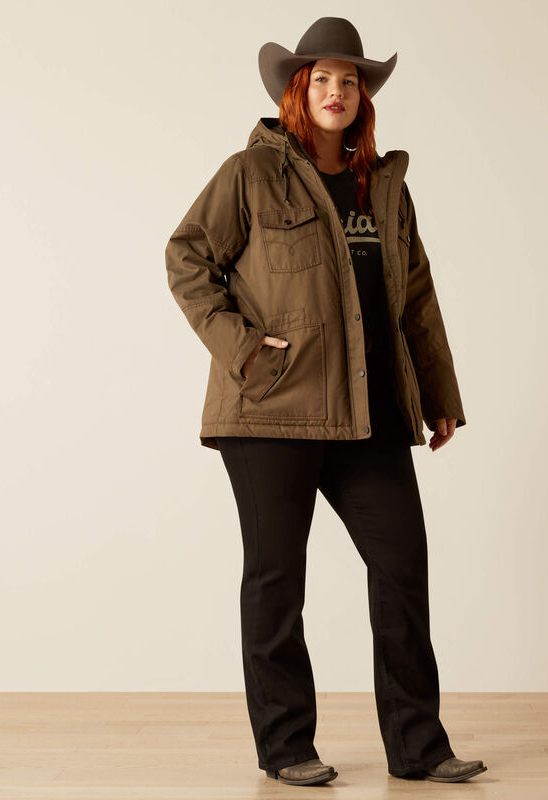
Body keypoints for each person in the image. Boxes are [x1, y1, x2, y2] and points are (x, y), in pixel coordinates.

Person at [164, 16, 487, 787]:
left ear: (363, 96)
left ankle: (419, 747)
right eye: (322, 79)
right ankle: (286, 748)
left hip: (369, 412)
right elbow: (187, 257)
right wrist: (244, 347)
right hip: (271, 411)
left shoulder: (385, 187)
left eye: (350, 79)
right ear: (297, 91)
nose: (337, 90)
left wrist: (438, 395)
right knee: (277, 579)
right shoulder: (251, 173)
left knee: (402, 566)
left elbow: (416, 298)